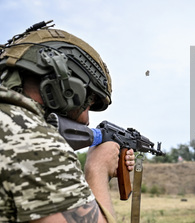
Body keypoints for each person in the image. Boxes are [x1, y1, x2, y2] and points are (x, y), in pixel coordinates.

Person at [0, 21, 135, 222]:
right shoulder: (35, 141)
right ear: (66, 89)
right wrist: (97, 169)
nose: (87, 120)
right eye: (88, 105)